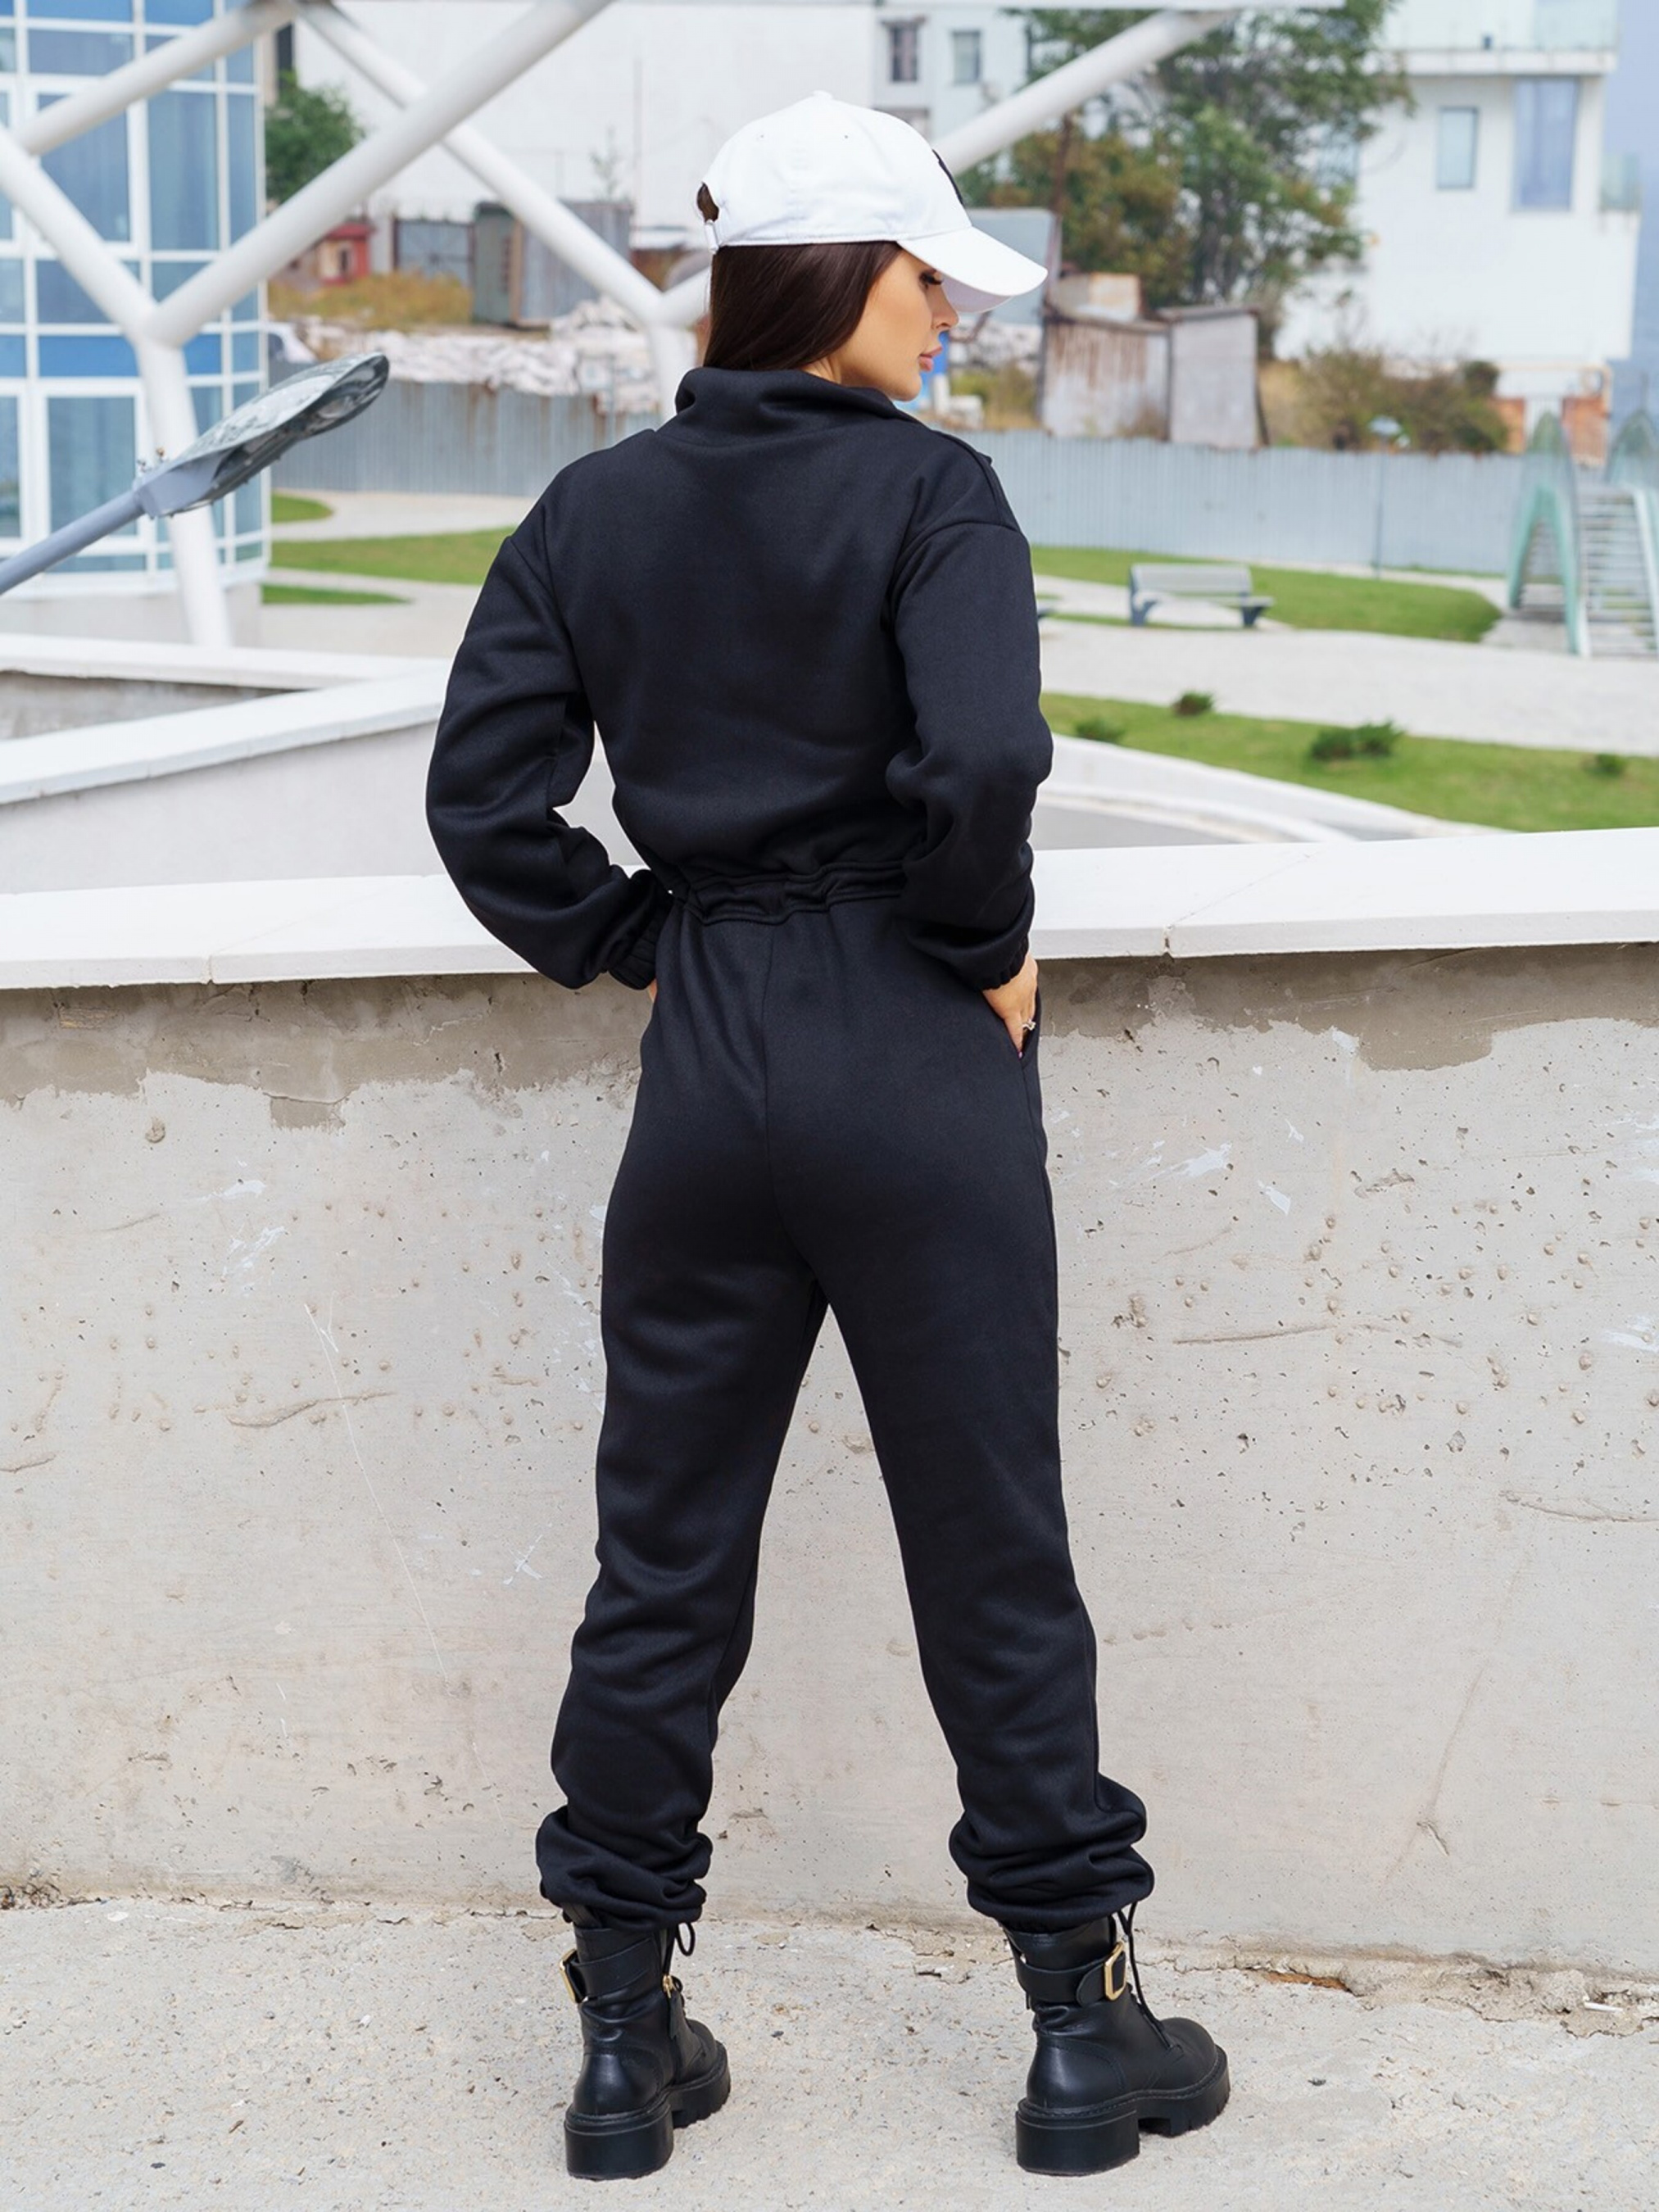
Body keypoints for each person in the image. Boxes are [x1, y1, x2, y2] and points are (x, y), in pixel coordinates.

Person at [425, 88, 1228, 2184]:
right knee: (990, 1542)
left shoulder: (589, 512)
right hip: (907, 1039)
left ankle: (621, 2043)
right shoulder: (932, 496)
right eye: (926, 278)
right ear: (842, 275)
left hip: (708, 1059)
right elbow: (981, 756)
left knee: (662, 1553)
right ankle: (1079, 2032)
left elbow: (481, 802)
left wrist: (634, 940)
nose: (949, 316)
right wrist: (978, 948)